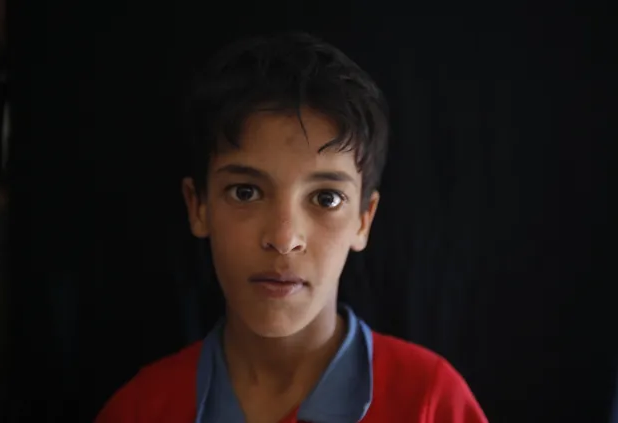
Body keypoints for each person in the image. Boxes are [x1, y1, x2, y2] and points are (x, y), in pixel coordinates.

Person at [94, 32, 488, 423]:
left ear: (363, 220)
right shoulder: (138, 411)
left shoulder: (431, 402)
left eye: (326, 198)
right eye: (246, 192)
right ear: (198, 206)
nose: (284, 239)